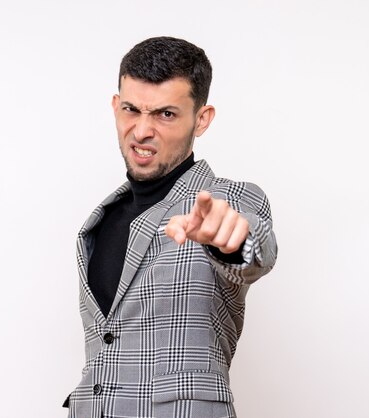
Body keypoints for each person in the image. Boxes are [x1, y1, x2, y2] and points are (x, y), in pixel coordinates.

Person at [63, 36, 278, 418]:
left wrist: (229, 240)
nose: (142, 131)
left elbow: (255, 251)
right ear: (115, 107)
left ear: (202, 119)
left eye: (165, 114)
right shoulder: (100, 221)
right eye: (131, 109)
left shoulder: (229, 200)